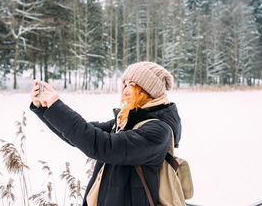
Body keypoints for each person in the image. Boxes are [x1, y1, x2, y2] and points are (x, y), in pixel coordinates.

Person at [30, 61, 182, 206]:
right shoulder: (126, 121)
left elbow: (103, 146)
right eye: (125, 85)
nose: (126, 91)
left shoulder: (157, 131)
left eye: (133, 86)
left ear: (148, 91)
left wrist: (56, 107)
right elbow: (79, 136)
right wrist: (45, 109)